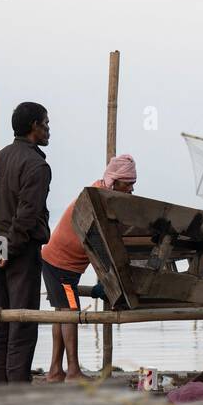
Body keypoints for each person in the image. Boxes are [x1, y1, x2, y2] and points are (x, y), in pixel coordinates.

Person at [0, 101, 52, 383]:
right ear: (34, 127)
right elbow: (27, 217)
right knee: (21, 323)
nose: (48, 129)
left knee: (0, 323)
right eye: (45, 124)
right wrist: (6, 249)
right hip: (20, 254)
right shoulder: (36, 165)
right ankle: (16, 390)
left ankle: (1, 388)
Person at [39, 154, 138, 381]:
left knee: (61, 314)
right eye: (128, 184)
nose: (131, 189)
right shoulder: (96, 203)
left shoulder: (99, 194)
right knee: (70, 312)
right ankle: (73, 370)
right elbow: (101, 248)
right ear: (115, 181)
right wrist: (109, 282)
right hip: (61, 267)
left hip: (60, 266)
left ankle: (55, 370)